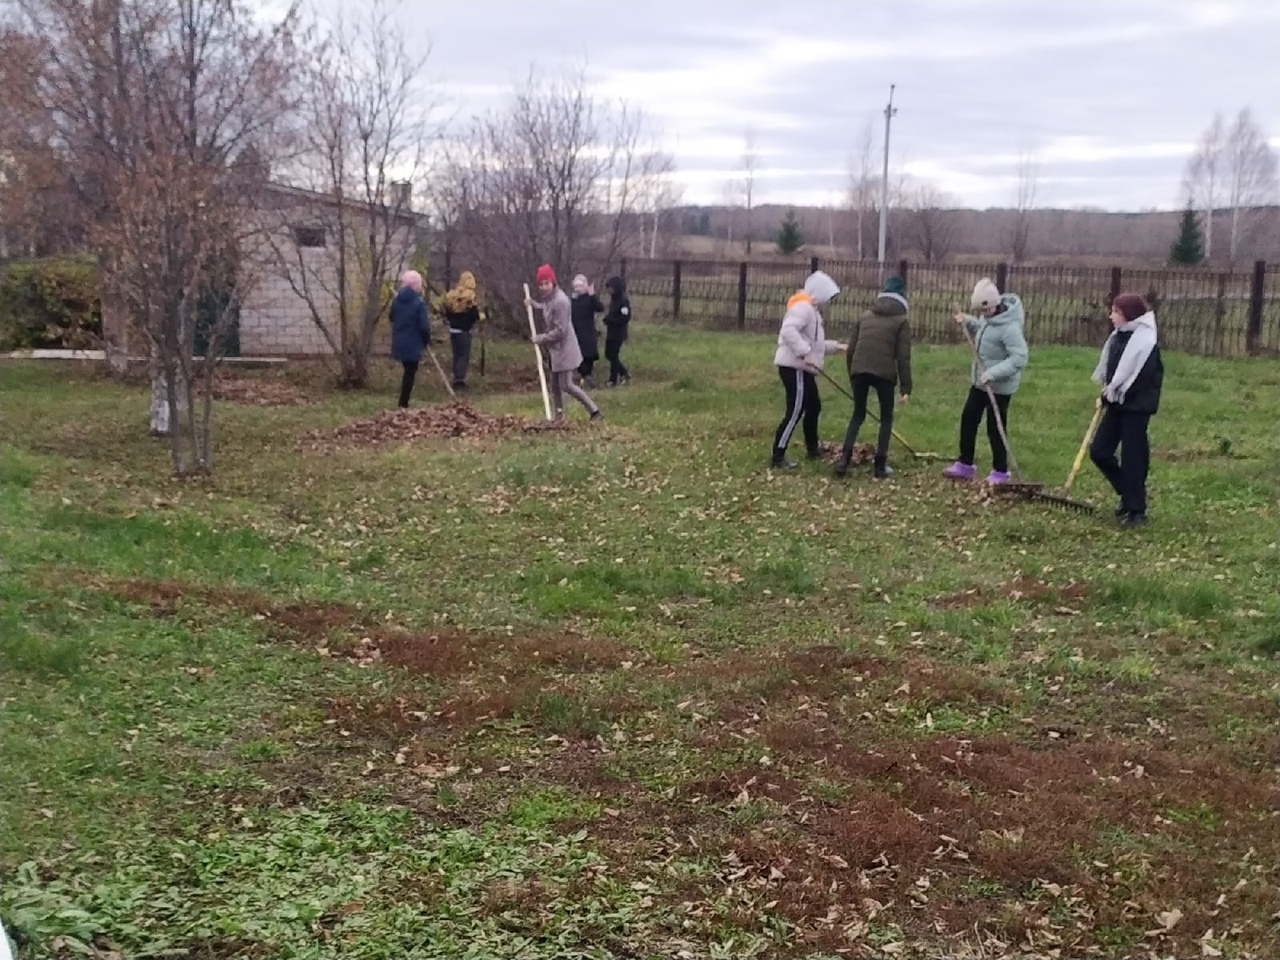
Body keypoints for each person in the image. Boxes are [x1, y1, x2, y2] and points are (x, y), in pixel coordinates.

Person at [942, 278, 1029, 484]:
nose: (983, 314)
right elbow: (983, 331)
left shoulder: (1009, 327)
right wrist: (968, 321)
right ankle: (965, 464)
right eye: (980, 312)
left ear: (994, 305)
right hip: (980, 383)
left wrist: (993, 373)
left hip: (999, 386)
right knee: (969, 419)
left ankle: (1000, 471)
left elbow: (1020, 357)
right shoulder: (988, 318)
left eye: (985, 310)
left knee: (995, 427)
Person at [1090, 292, 1163, 528]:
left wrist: (1111, 396)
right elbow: (1114, 374)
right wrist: (1107, 393)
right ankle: (1129, 493)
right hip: (1117, 403)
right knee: (1100, 451)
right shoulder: (1117, 337)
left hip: (1137, 407)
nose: (1111, 316)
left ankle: (1137, 511)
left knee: (1133, 457)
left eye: (1116, 312)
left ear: (1129, 315)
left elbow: (1138, 380)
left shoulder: (1145, 342)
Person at [836, 275, 912, 479]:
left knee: (857, 414)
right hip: (884, 374)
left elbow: (851, 349)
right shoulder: (901, 321)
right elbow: (903, 356)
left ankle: (843, 460)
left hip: (859, 370)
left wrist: (853, 373)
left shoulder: (865, 316)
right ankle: (880, 465)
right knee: (886, 418)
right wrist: (906, 388)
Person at [770, 270, 845, 469]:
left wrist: (838, 347)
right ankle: (778, 455)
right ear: (818, 293)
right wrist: (804, 353)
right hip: (795, 367)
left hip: (803, 367)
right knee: (795, 410)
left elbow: (815, 344)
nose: (828, 302)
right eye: (827, 296)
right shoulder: (803, 308)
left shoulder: (813, 312)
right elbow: (788, 331)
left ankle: (812, 449)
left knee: (814, 406)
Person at [526, 264, 602, 422]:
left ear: (553, 282)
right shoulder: (550, 299)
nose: (543, 287)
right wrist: (534, 304)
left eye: (546, 283)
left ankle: (594, 411)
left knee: (566, 385)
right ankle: (559, 416)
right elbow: (547, 309)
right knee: (555, 386)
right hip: (556, 349)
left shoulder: (561, 301)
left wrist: (540, 338)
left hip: (565, 349)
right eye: (541, 284)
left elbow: (561, 331)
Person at [389, 269, 430, 409]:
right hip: (413, 343)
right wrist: (426, 340)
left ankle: (403, 402)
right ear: (416, 285)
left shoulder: (396, 301)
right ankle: (403, 403)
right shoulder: (419, 303)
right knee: (410, 372)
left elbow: (392, 317)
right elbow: (424, 326)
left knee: (408, 370)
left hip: (399, 340)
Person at [442, 270, 480, 390]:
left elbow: (447, 313)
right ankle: (459, 380)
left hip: (453, 330)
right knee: (463, 356)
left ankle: (456, 377)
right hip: (464, 331)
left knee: (456, 355)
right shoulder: (470, 298)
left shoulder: (452, 296)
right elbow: (474, 316)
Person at [570, 274, 604, 388]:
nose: (578, 288)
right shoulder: (572, 300)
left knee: (588, 358)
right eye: (576, 286)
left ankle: (587, 381)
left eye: (580, 286)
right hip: (575, 334)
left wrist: (592, 295)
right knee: (578, 359)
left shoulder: (590, 299)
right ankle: (586, 378)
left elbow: (600, 308)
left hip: (588, 333)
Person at [602, 275, 632, 386]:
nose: (609, 291)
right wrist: (607, 319)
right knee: (608, 354)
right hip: (611, 332)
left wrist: (611, 320)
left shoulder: (623, 301)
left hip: (619, 333)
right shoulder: (613, 300)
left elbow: (625, 317)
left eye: (611, 288)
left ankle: (613, 379)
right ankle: (623, 373)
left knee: (613, 355)